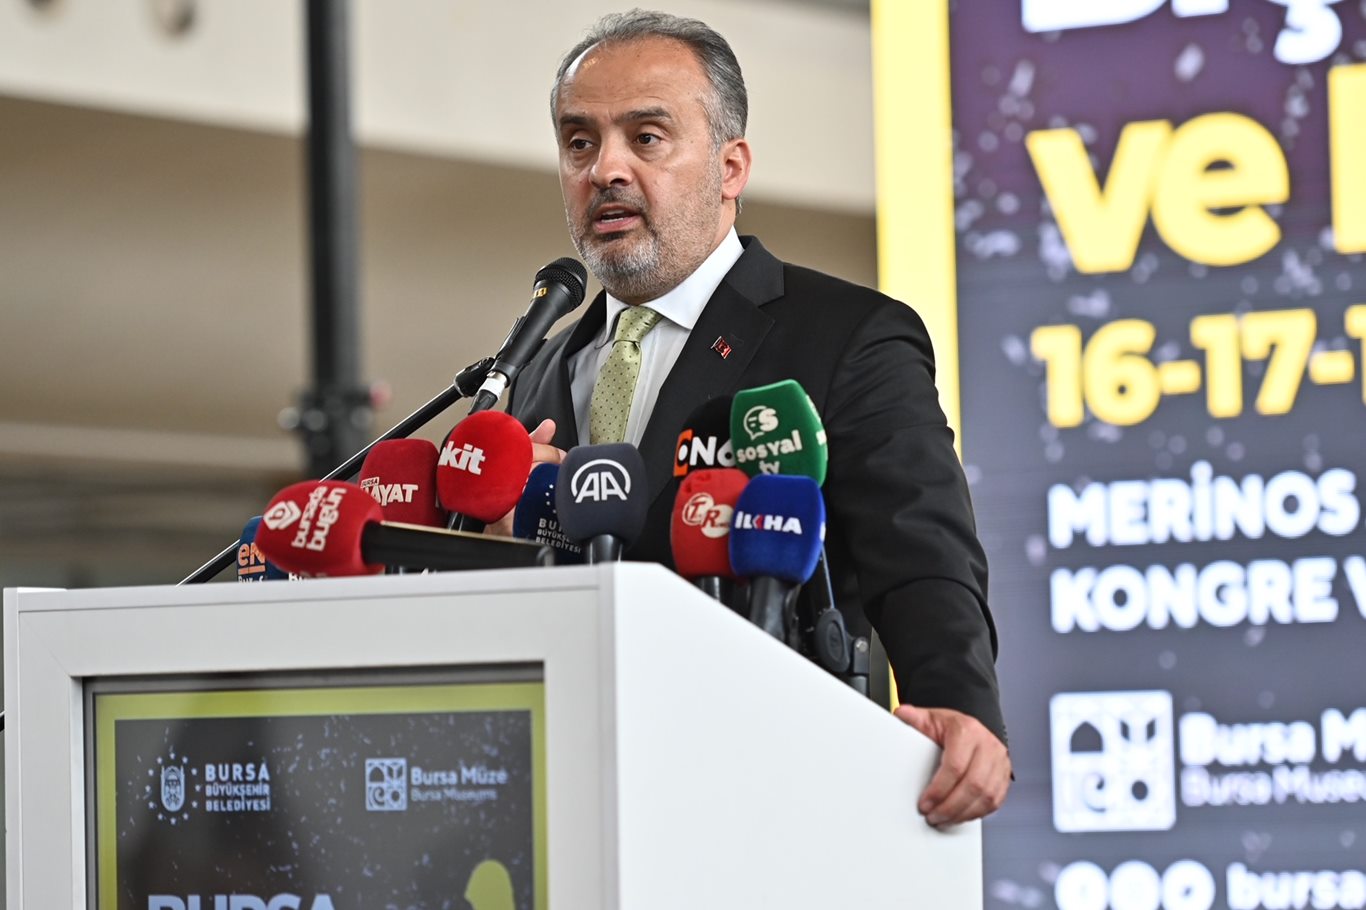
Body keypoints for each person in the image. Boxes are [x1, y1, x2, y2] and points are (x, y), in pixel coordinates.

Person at [503, 9, 1011, 826]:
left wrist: (959, 706)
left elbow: (919, 555)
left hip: (774, 796)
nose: (605, 169)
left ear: (730, 166)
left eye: (646, 138)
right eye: (579, 143)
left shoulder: (848, 336)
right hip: (573, 799)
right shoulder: (536, 371)